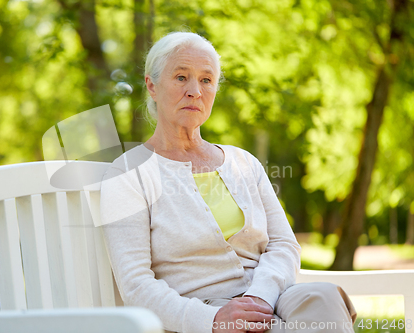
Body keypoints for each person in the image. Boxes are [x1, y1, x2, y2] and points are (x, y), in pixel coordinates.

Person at [99, 32, 357, 333]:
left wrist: (260, 296)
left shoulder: (243, 162)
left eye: (206, 80)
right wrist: (214, 320)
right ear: (152, 86)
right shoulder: (127, 175)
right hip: (202, 311)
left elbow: (284, 244)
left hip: (270, 296)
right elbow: (136, 284)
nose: (195, 91)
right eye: (181, 77)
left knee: (323, 296)